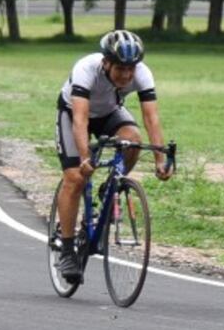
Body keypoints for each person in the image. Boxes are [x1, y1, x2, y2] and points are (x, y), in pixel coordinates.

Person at [54, 29, 174, 284]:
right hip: (74, 114)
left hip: (110, 113)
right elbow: (80, 119)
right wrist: (86, 158)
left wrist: (160, 160)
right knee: (75, 178)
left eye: (131, 69)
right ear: (105, 62)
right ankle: (66, 249)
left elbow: (151, 117)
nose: (127, 75)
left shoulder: (142, 73)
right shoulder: (86, 69)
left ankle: (110, 188)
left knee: (133, 140)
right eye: (120, 68)